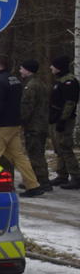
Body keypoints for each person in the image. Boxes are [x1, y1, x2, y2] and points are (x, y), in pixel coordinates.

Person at [0, 54, 43, 197]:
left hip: (0, 126)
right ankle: (33, 185)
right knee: (18, 157)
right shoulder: (14, 80)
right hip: (13, 125)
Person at [19, 60, 51, 192]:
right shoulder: (40, 83)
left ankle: (41, 180)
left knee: (35, 153)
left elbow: (27, 107)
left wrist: (21, 121)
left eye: (22, 68)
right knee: (38, 152)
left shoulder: (31, 86)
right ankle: (40, 179)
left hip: (34, 125)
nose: (20, 71)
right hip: (41, 123)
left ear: (28, 70)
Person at [48, 56, 80, 188]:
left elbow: (70, 103)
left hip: (65, 119)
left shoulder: (69, 81)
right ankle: (62, 175)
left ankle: (76, 176)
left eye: (53, 65)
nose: (51, 67)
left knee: (65, 147)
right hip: (56, 118)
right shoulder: (59, 81)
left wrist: (63, 119)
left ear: (59, 67)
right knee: (59, 148)